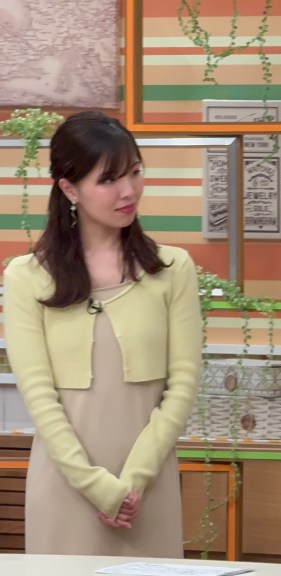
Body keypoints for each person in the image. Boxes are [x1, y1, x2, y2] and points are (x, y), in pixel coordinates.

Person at [3, 111, 201, 556]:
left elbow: (183, 386)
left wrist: (133, 483)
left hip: (147, 491)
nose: (128, 191)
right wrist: (96, 486)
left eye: (135, 172)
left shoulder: (173, 270)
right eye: (109, 179)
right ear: (70, 189)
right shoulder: (26, 278)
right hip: (66, 488)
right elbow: (40, 398)